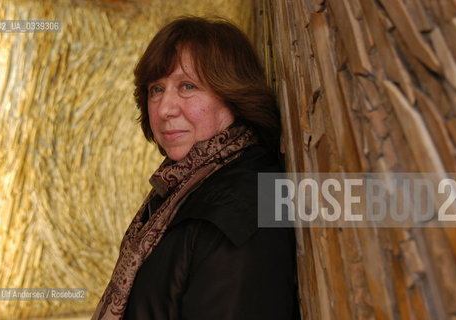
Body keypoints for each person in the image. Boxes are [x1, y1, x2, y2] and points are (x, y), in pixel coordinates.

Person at [92, 16, 300, 320]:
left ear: (233, 95)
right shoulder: (186, 185)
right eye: (156, 89)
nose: (165, 109)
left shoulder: (243, 211)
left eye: (188, 86)